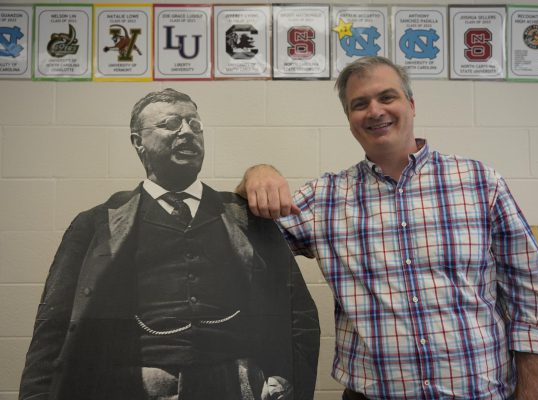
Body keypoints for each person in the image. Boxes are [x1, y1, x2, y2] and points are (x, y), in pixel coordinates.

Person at [238, 56, 538, 400]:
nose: (374, 111)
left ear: (411, 105)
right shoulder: (323, 199)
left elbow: (530, 294)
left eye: (386, 97)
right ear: (350, 121)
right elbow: (238, 240)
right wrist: (255, 175)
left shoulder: (481, 183)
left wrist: (534, 391)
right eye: (359, 104)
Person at [19, 88, 320, 400]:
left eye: (195, 125)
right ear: (138, 141)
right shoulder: (95, 224)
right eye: (171, 124)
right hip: (130, 390)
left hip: (237, 388)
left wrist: (290, 383)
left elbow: (298, 314)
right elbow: (53, 324)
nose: (188, 131)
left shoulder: (248, 218)